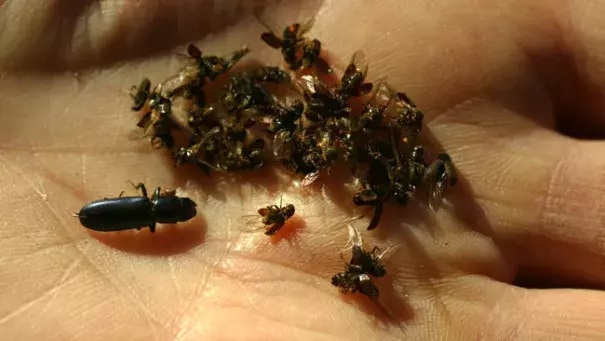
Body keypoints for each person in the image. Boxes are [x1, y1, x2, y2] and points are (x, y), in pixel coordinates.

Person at [1, 0, 605, 339]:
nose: (175, 208)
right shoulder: (153, 206)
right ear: (159, 205)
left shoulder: (159, 200)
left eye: (174, 207)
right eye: (170, 207)